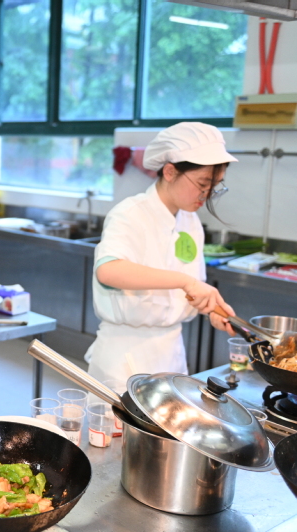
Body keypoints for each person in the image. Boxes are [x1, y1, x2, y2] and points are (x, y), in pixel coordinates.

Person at [85, 122, 237, 387]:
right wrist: (186, 282)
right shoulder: (130, 214)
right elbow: (108, 271)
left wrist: (211, 309)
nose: (207, 195)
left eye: (214, 186)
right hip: (125, 359)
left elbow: (187, 289)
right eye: (202, 183)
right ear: (169, 171)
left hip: (172, 357)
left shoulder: (190, 221)